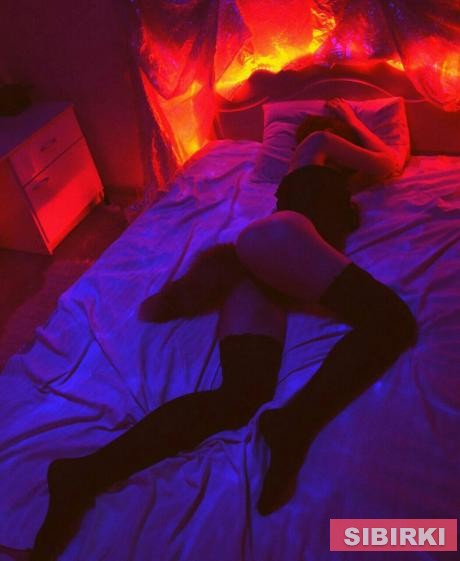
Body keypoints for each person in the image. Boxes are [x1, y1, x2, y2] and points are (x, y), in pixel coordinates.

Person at [30, 98, 417, 559]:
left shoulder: (333, 179)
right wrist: (351, 120)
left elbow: (379, 173)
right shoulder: (316, 143)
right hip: (280, 241)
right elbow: (391, 160)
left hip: (265, 267)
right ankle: (293, 424)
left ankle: (81, 475)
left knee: (240, 398)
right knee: (393, 321)